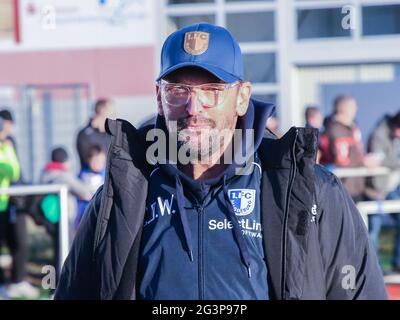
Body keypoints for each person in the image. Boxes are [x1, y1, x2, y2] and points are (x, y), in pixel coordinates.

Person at [55, 23, 386, 300]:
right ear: (159, 97)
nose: (193, 108)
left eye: (212, 90)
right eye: (178, 91)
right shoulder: (124, 196)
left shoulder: (308, 192)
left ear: (242, 97)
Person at [0, 113, 39, 300]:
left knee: (20, 242)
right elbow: (6, 169)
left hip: (10, 202)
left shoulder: (9, 143)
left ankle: (16, 282)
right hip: (2, 203)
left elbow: (14, 172)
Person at [318, 95, 380, 201]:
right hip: (344, 188)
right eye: (353, 107)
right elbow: (342, 160)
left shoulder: (351, 129)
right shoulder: (336, 131)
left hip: (356, 187)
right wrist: (364, 162)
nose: (356, 110)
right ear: (343, 109)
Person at [366, 111, 400, 272]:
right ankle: (375, 269)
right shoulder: (378, 135)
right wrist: (396, 163)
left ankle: (398, 263)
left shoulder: (395, 135)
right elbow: (377, 161)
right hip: (375, 189)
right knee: (373, 229)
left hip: (391, 186)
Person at [76, 99, 115, 170]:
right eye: (111, 111)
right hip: (90, 177)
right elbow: (88, 159)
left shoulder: (110, 133)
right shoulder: (85, 134)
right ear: (102, 110)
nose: (113, 114)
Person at [74, 145, 106, 231]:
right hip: (84, 213)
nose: (98, 164)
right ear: (89, 160)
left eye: (101, 161)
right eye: (95, 161)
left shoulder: (106, 174)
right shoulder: (83, 175)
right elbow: (78, 192)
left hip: (101, 212)